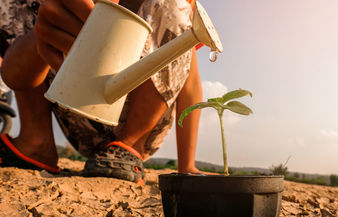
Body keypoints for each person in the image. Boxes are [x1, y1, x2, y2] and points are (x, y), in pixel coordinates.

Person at [0, 0, 206, 184]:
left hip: (142, 122)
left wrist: (187, 165)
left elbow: (190, 80)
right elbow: (14, 75)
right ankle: (35, 142)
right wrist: (42, 36)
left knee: (173, 5)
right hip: (76, 111)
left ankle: (130, 144)